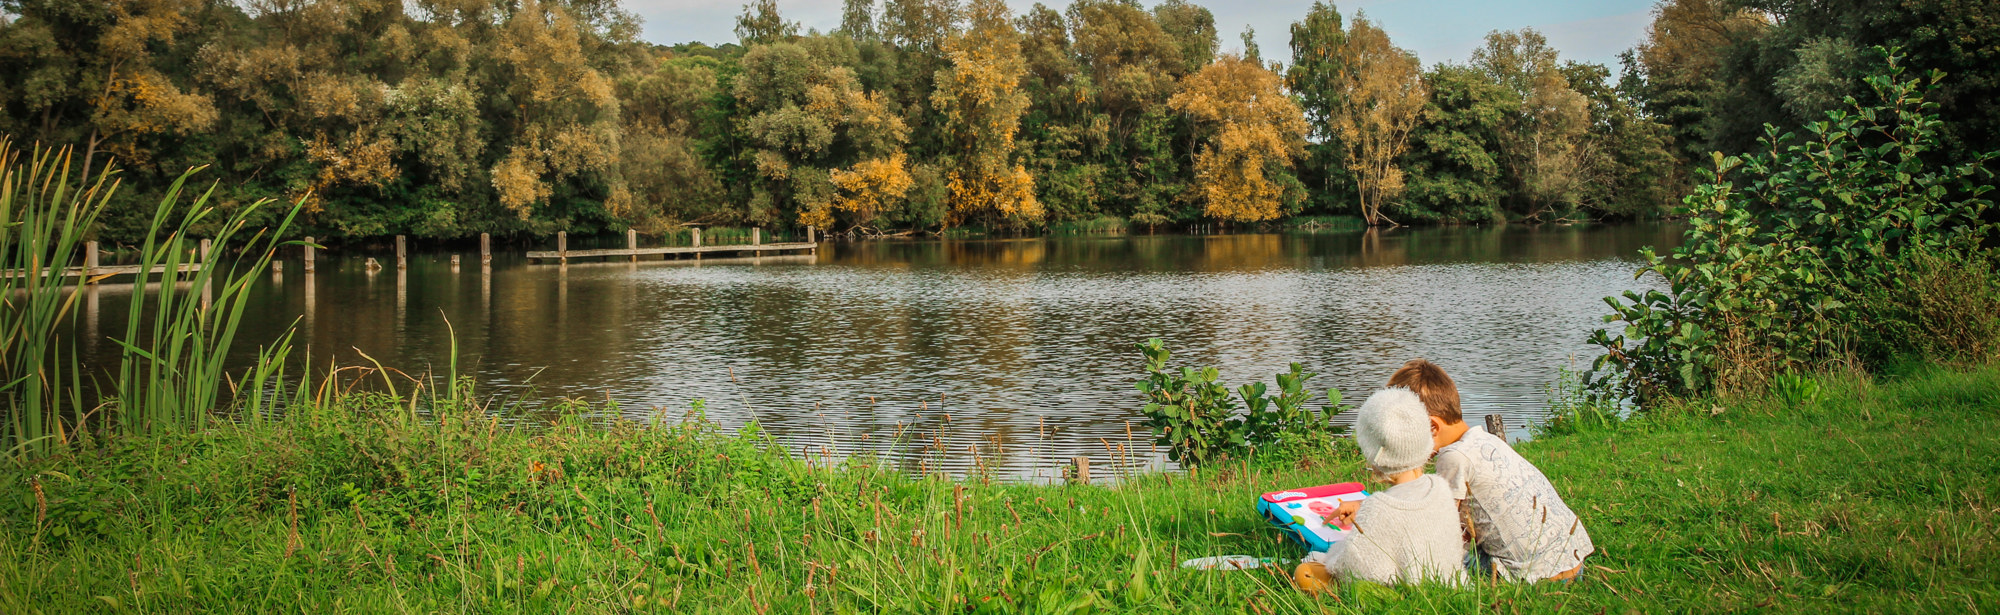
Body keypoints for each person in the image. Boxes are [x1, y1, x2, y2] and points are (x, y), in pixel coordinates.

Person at [1329, 359, 1593, 583]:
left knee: (1418, 564)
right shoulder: (1483, 440)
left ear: (1431, 427)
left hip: (1529, 573)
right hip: (1570, 558)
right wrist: (1367, 506)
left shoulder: (1453, 458)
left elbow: (1437, 525)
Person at [1293, 387, 1466, 593]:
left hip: (1403, 589)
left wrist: (1326, 556)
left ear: (1375, 455)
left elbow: (1355, 566)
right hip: (1448, 583)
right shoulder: (1440, 487)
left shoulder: (1379, 507)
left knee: (1304, 572)